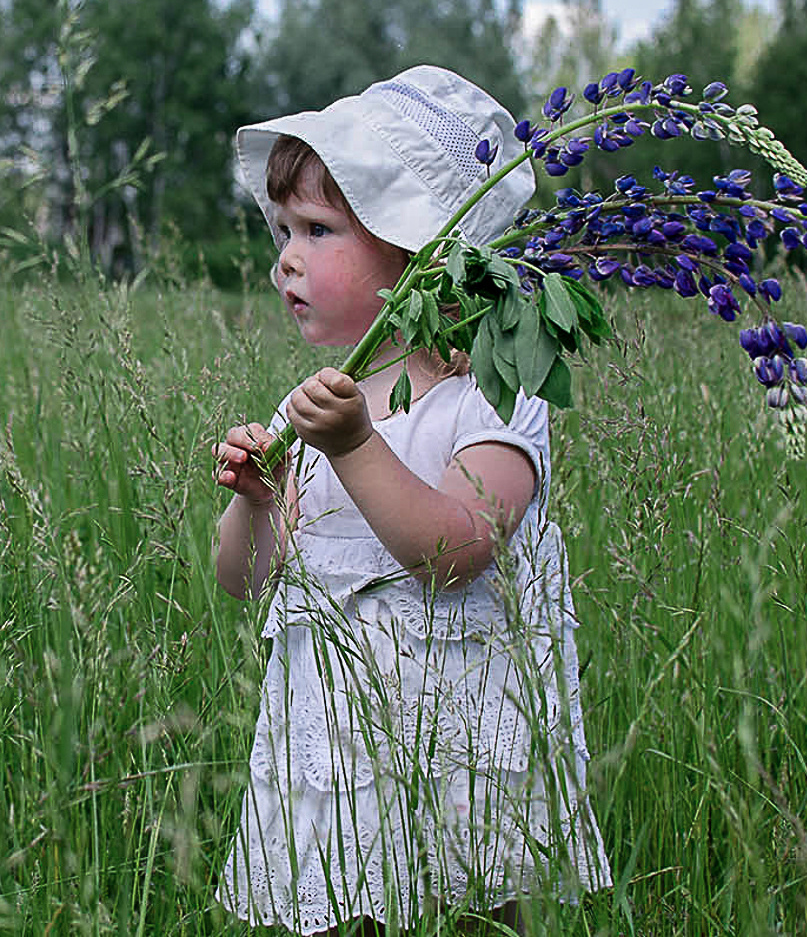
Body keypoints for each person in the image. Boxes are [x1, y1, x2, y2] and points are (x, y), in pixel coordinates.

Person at [211, 66, 613, 935]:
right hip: (339, 744)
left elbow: (457, 551)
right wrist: (256, 496)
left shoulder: (495, 399)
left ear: (418, 248)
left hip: (462, 735)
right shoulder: (310, 405)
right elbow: (243, 577)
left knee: (469, 907)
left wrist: (354, 445)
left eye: (318, 229)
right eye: (281, 228)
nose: (284, 256)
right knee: (352, 904)